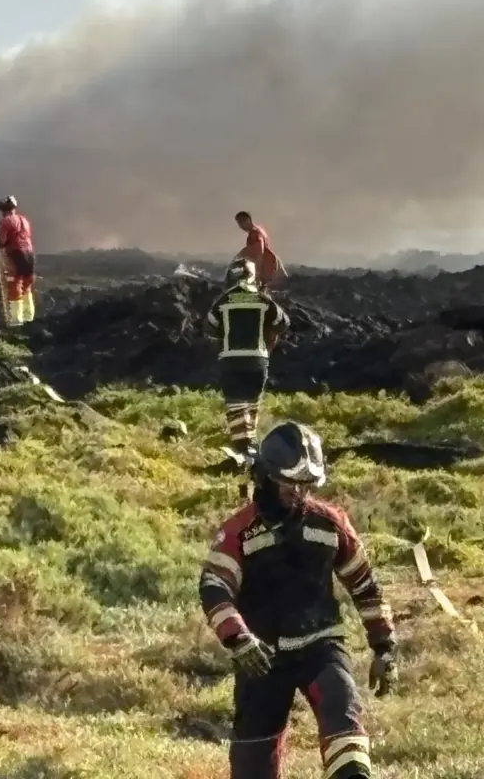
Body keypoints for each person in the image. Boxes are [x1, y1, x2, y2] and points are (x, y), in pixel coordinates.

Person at [199, 421, 397, 779]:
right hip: (261, 657)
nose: (298, 493)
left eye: (306, 485)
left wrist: (384, 645)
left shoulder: (330, 524)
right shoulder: (238, 531)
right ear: (266, 477)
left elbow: (364, 584)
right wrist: (239, 639)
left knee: (342, 706)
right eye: (290, 483)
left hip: (321, 647)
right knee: (253, 764)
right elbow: (215, 586)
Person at [205, 257, 290, 459]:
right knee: (251, 403)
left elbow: (210, 327)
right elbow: (283, 322)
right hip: (257, 360)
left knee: (235, 405)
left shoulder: (223, 301)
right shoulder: (262, 300)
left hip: (231, 360)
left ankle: (243, 450)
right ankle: (250, 449)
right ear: (253, 276)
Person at [0, 195, 35, 325]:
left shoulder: (6, 221)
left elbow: (2, 241)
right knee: (27, 283)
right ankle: (28, 317)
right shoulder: (24, 220)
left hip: (16, 254)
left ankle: (16, 320)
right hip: (30, 253)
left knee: (14, 284)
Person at [235, 210, 286, 290]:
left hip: (268, 265)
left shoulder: (255, 233)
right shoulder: (258, 230)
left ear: (248, 220)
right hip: (271, 262)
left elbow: (259, 253)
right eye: (239, 223)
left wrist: (257, 275)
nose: (241, 226)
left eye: (241, 222)